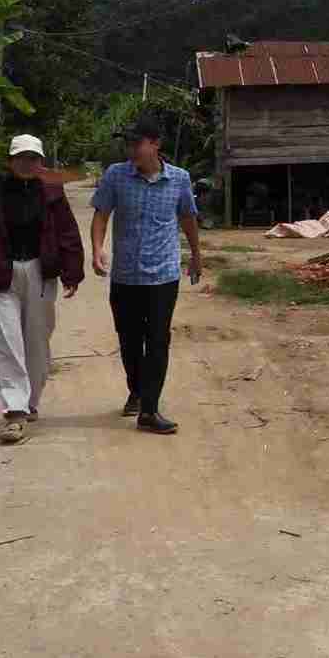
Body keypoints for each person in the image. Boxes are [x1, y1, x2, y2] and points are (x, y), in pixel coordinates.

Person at [0, 135, 84, 445]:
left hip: (40, 272)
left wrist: (72, 271)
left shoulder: (51, 193)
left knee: (37, 340)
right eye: (21, 158)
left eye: (33, 158)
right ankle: (15, 411)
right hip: (0, 274)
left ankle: (30, 401)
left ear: (40, 162)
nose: (27, 163)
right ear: (10, 161)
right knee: (7, 341)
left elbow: (67, 231)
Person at [91, 118, 202, 435]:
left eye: (136, 143)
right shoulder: (116, 176)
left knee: (157, 340)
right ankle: (137, 392)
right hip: (125, 276)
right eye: (128, 144)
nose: (131, 150)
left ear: (155, 144)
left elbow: (188, 218)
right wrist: (97, 248)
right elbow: (101, 214)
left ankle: (150, 410)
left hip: (163, 276)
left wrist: (196, 255)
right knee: (128, 341)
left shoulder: (179, 179)